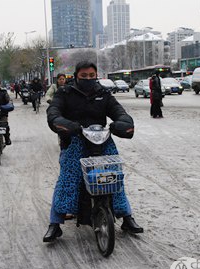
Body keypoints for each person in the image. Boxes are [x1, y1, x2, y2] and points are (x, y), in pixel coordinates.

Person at [43, 61, 143, 242]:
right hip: (74, 141)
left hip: (102, 140)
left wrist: (123, 123)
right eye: (84, 76)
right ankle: (55, 223)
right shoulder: (64, 93)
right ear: (76, 76)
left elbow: (119, 111)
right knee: (68, 178)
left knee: (114, 177)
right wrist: (66, 125)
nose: (88, 79)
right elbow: (54, 112)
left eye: (91, 76)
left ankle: (127, 217)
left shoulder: (103, 93)